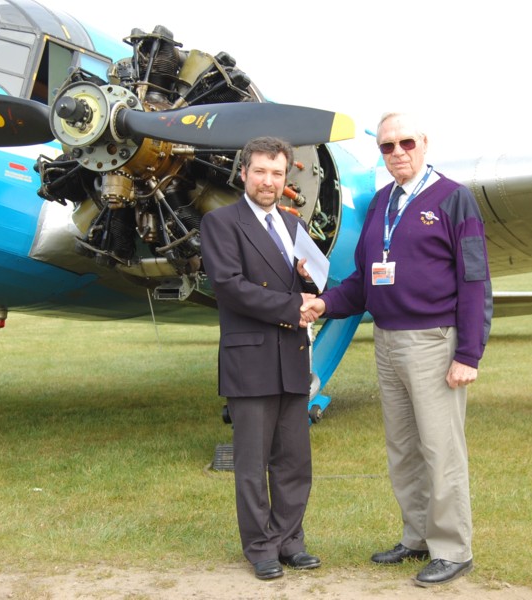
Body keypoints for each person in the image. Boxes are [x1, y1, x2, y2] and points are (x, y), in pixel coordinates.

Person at [301, 112, 492, 587]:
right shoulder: (383, 201)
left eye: (406, 142)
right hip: (385, 341)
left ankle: (453, 549)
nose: (397, 152)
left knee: (440, 448)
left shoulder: (454, 199)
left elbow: (475, 280)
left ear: (424, 143)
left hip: (432, 341)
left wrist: (468, 354)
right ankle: (417, 537)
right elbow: (363, 281)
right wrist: (324, 301)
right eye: (387, 146)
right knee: (403, 448)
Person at [200, 136, 321, 581]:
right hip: (249, 360)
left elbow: (312, 285)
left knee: (294, 460)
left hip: (291, 356)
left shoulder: (292, 226)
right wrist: (294, 307)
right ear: (244, 173)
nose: (268, 181)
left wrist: (311, 282)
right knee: (251, 464)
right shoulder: (220, 223)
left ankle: (291, 541)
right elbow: (230, 286)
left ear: (285, 178)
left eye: (277, 173)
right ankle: (260, 548)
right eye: (260, 172)